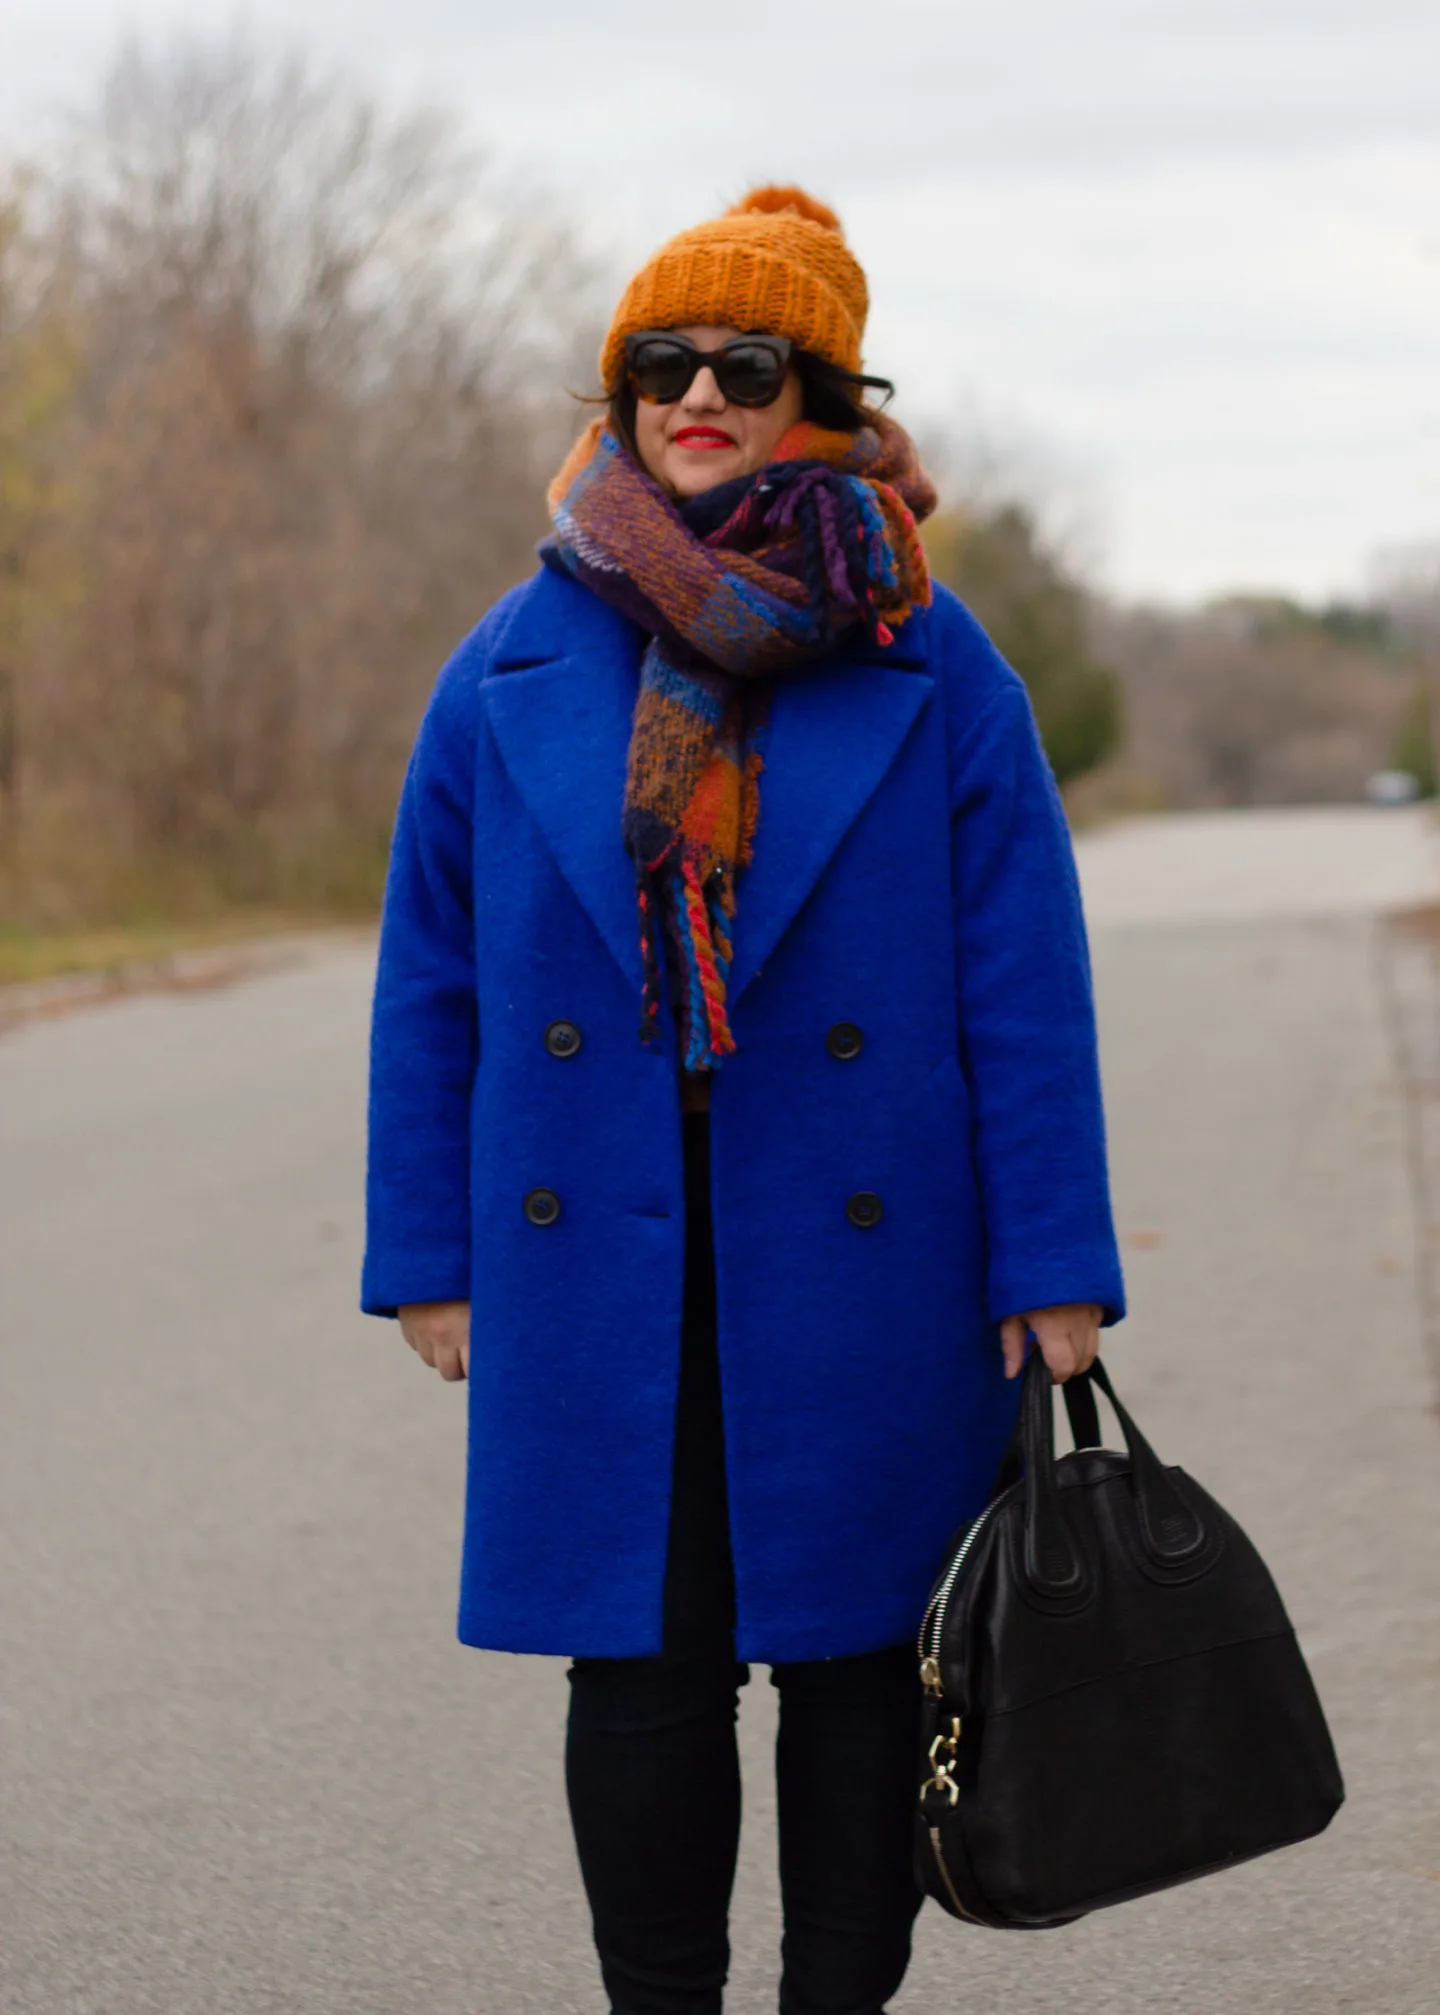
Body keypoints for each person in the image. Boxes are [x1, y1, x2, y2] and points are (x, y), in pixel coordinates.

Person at [362, 184, 1124, 2015]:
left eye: (747, 365)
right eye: (658, 364)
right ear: (616, 394)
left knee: (862, 1662)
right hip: (595, 1243)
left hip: (864, 1241)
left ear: (827, 402)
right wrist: (427, 1253)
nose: (696, 395)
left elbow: (1024, 988)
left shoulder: (940, 667)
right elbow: (434, 977)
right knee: (634, 1666)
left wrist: (1055, 1260)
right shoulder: (508, 665)